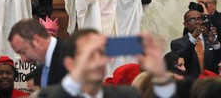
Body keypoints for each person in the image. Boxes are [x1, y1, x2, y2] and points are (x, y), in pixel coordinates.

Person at [38, 29, 177, 98]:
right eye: (88, 54)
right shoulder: (48, 96)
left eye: (100, 52)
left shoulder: (128, 95)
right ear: (69, 64)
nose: (97, 61)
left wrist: (161, 75)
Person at [8, 19, 67, 88]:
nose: (23, 59)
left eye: (23, 52)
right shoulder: (41, 68)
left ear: (37, 41)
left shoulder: (71, 56)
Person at [171, 9, 221, 78]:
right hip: (189, 85)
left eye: (199, 19)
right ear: (185, 24)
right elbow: (182, 59)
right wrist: (194, 37)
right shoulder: (177, 43)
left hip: (210, 84)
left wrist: (215, 44)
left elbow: (218, 61)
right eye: (192, 20)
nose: (197, 22)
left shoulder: (209, 40)